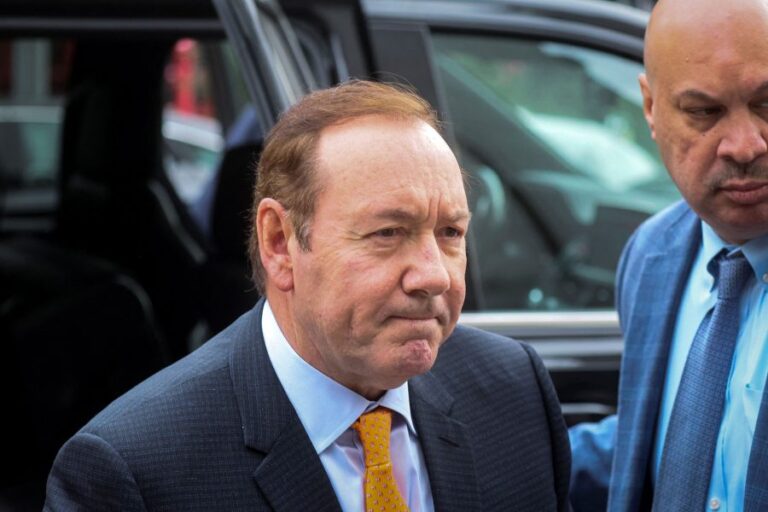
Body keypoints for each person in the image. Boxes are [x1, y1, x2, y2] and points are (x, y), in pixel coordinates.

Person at [44, 80, 570, 511]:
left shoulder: (512, 390)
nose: (434, 276)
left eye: (450, 233)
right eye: (388, 233)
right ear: (280, 242)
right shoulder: (137, 470)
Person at [569, 0, 768, 510]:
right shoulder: (651, 255)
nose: (744, 145)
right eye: (704, 112)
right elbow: (654, 438)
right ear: (651, 108)